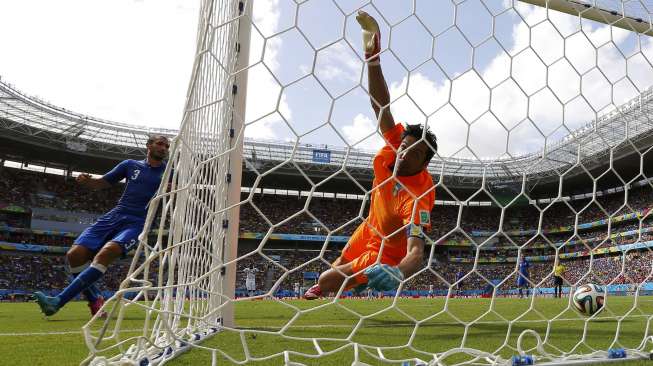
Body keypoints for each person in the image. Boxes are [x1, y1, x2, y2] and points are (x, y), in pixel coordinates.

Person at [304, 10, 437, 300]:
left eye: (414, 152)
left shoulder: (418, 198)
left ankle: (351, 282)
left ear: (425, 162)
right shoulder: (394, 149)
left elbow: (416, 251)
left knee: (328, 280)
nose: (404, 153)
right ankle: (346, 283)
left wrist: (398, 271)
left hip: (386, 250)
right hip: (369, 227)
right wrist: (373, 58)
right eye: (403, 146)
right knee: (334, 267)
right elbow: (381, 107)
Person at [34, 135, 170, 316]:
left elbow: (178, 193)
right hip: (114, 215)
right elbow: (102, 183)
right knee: (74, 255)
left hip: (138, 222)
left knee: (107, 252)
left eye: (167, 146)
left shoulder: (170, 172)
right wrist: (87, 180)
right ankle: (95, 300)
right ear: (149, 146)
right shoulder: (129, 165)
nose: (164, 148)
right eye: (160, 144)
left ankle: (57, 301)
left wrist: (172, 189)